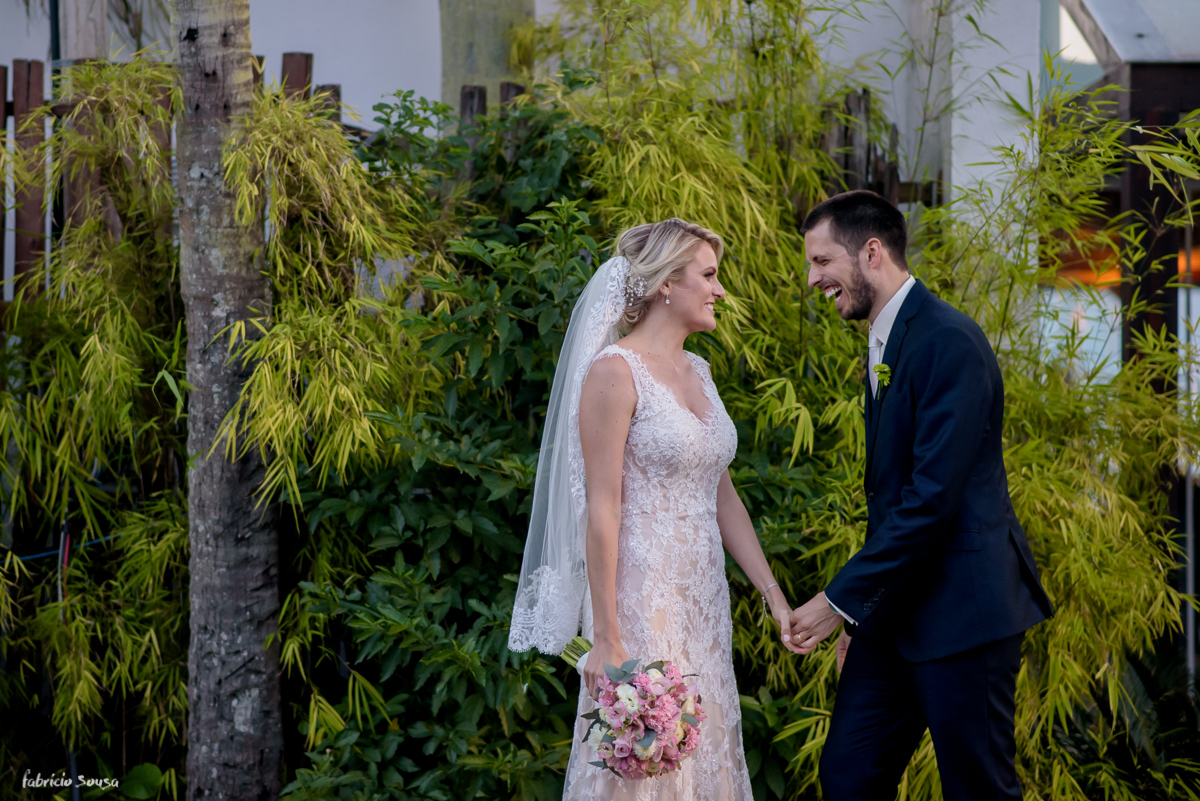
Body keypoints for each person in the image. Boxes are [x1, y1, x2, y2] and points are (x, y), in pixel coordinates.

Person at [507, 218, 798, 800]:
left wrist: (773, 595)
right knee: (649, 764)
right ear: (666, 283)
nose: (720, 290)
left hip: (704, 596)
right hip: (641, 597)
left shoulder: (702, 372)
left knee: (706, 750)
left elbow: (723, 494)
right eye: (710, 276)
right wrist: (607, 637)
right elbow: (602, 509)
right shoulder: (614, 372)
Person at [787, 190, 1054, 800]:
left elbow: (932, 498)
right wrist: (866, 612)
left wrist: (840, 602)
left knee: (977, 789)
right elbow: (893, 497)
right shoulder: (886, 340)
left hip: (964, 613)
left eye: (822, 262)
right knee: (850, 777)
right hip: (893, 619)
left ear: (871, 252)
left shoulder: (948, 340)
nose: (812, 279)